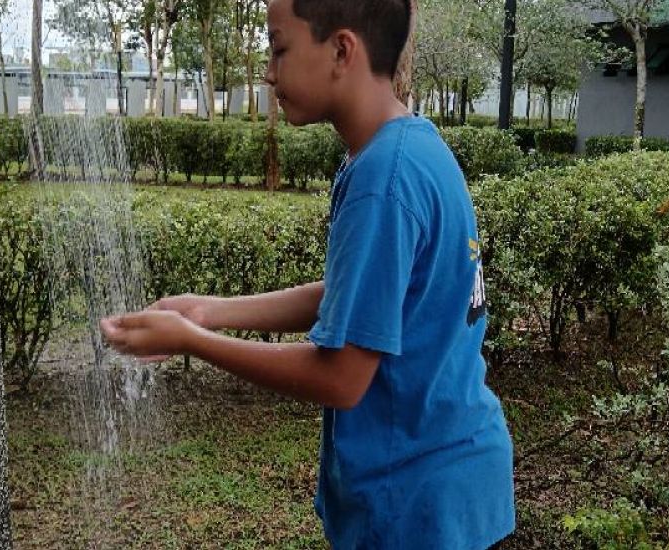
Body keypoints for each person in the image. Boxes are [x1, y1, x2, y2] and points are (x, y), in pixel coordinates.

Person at [100, 0, 515, 547]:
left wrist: (192, 341)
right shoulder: (411, 146)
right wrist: (209, 311)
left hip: (415, 502)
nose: (269, 73)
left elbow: (341, 378)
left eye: (279, 49)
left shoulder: (383, 180)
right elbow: (361, 297)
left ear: (342, 50)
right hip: (453, 476)